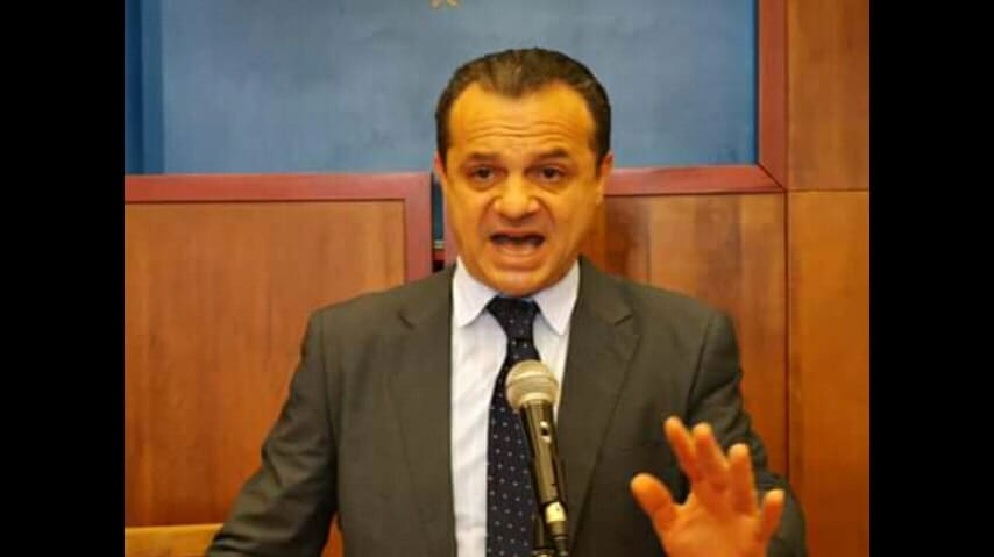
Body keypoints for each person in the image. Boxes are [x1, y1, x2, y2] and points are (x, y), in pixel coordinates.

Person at [206, 47, 807, 557]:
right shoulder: (348, 348)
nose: (516, 204)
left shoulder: (683, 344)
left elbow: (758, 522)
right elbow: (260, 544)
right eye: (484, 174)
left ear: (600, 179)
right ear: (444, 178)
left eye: (550, 174)